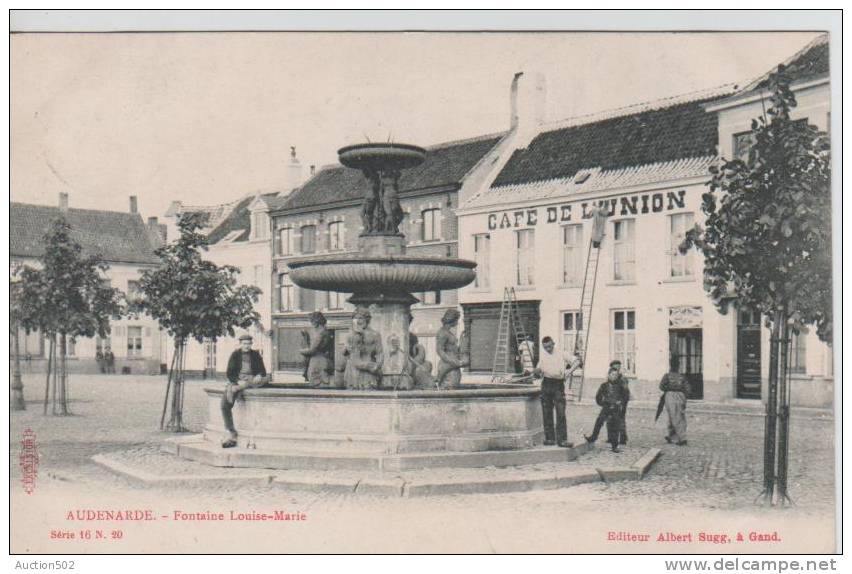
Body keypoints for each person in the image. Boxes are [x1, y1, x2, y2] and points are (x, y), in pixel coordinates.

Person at [220, 334, 269, 448]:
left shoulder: (256, 355)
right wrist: (237, 381)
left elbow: (263, 371)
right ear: (240, 344)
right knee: (224, 404)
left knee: (257, 381)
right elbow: (229, 373)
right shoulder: (235, 355)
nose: (246, 346)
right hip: (239, 381)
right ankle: (231, 431)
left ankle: (239, 388)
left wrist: (259, 375)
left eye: (248, 344)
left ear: (251, 344)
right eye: (244, 343)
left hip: (252, 380)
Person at [533, 336, 581, 448]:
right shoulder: (543, 356)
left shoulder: (562, 353)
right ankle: (550, 438)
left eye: (549, 346)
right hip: (546, 384)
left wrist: (568, 372)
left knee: (560, 413)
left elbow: (577, 361)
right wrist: (536, 372)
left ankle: (562, 440)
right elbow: (539, 371)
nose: (548, 349)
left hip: (558, 385)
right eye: (545, 347)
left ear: (553, 343)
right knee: (546, 412)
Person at [585, 360, 630, 445]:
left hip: (619, 404)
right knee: (606, 421)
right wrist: (603, 403)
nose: (617, 369)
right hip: (608, 405)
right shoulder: (609, 377)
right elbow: (603, 392)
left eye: (618, 367)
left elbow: (625, 393)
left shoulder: (622, 379)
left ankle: (622, 439)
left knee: (620, 421)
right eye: (615, 367)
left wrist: (621, 403)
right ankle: (609, 438)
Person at [342, 307, 383, 389]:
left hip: (369, 371)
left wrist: (378, 365)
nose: (358, 321)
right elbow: (345, 352)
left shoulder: (375, 334)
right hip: (354, 369)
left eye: (360, 318)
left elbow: (380, 352)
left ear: (367, 319)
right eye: (355, 318)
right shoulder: (351, 335)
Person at [592, 368, 630, 453]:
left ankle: (615, 446)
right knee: (599, 422)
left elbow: (626, 397)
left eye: (616, 375)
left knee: (615, 426)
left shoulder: (620, 386)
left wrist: (620, 402)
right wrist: (603, 403)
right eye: (612, 374)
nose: (614, 376)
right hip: (606, 407)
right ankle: (592, 438)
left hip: (616, 408)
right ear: (608, 375)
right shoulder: (604, 385)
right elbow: (598, 397)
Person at [656, 355, 690, 446]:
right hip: (680, 395)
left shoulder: (667, 376)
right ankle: (670, 435)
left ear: (670, 365)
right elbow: (688, 389)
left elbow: (661, 386)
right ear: (678, 366)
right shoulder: (682, 377)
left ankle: (682, 438)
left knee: (674, 416)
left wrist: (669, 388)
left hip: (670, 395)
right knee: (678, 415)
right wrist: (683, 396)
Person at [300, 311, 334, 387]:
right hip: (325, 359)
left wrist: (301, 351)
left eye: (311, 322)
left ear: (316, 322)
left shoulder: (320, 334)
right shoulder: (326, 332)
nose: (311, 324)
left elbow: (312, 350)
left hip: (317, 362)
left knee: (316, 383)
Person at [435, 309, 468, 389]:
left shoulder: (448, 332)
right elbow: (439, 350)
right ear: (452, 320)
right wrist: (451, 361)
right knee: (449, 387)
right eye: (457, 319)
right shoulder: (442, 333)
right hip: (447, 365)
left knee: (454, 386)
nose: (457, 322)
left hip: (453, 364)